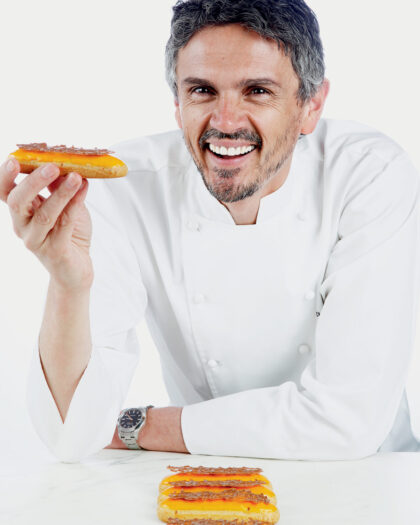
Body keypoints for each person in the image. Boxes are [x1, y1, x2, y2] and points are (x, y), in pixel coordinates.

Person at [1, 0, 420, 463]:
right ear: (177, 104)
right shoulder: (125, 189)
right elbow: (70, 436)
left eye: (257, 91)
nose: (225, 122)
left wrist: (143, 427)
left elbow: (348, 422)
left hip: (370, 479)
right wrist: (68, 284)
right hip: (209, 474)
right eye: (202, 90)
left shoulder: (367, 174)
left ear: (311, 105)